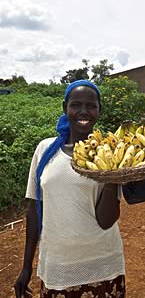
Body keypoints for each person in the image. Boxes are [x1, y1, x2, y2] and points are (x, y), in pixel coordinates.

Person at [14, 80, 126, 298]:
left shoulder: (110, 154)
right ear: (65, 107)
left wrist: (112, 177)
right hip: (58, 266)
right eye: (76, 104)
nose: (83, 111)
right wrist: (26, 266)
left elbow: (106, 220)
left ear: (99, 110)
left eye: (91, 105)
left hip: (103, 265)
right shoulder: (45, 151)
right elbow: (35, 209)